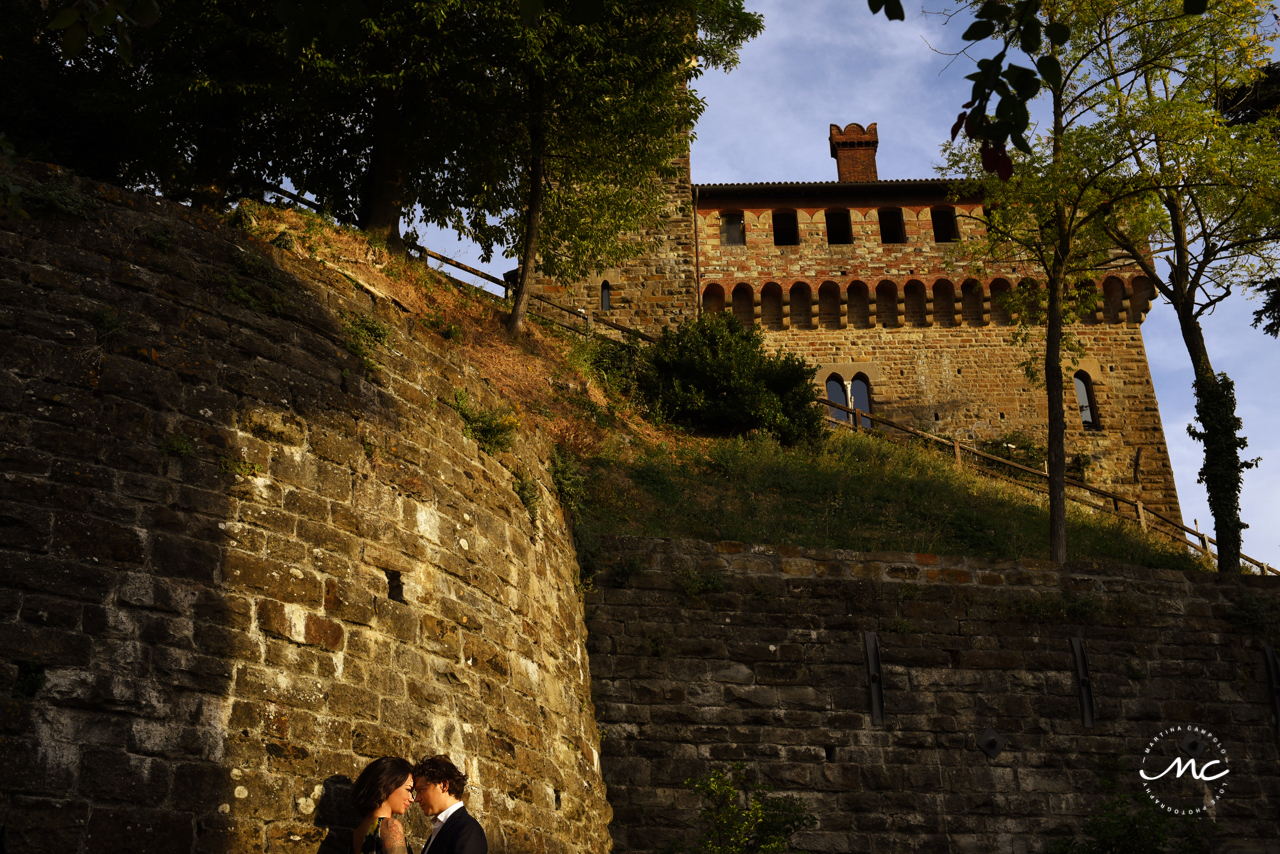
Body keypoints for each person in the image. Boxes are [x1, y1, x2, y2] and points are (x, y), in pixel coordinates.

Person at [412, 755, 487, 854]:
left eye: (421, 790)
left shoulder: (468, 830)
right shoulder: (444, 827)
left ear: (443, 786)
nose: (417, 799)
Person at [351, 756, 416, 854]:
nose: (412, 799)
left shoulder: (358, 832)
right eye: (408, 790)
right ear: (387, 786)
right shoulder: (390, 827)